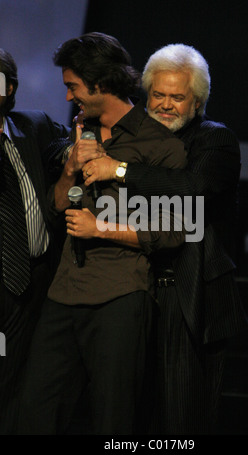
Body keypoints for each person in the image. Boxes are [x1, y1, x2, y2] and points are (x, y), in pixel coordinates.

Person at [17, 33, 186, 435]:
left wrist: (101, 228)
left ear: (102, 84)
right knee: (33, 412)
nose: (68, 97)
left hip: (119, 298)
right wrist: (71, 168)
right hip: (63, 293)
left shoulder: (161, 146)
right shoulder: (80, 132)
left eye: (73, 87)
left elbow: (175, 232)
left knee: (114, 418)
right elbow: (57, 206)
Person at [80, 43, 248, 434]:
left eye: (178, 97)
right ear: (146, 93)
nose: (166, 104)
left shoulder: (214, 140)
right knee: (129, 414)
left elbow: (194, 187)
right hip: (131, 289)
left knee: (180, 418)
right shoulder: (133, 136)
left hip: (186, 297)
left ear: (197, 102)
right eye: (159, 94)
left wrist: (118, 170)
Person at [0, 49, 69, 435]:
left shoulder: (35, 125)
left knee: (29, 392)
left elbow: (69, 144)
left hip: (38, 281)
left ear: (10, 90)